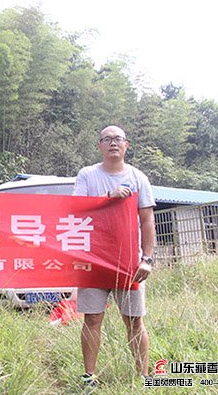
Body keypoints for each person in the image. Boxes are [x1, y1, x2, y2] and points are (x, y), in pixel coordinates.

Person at [73, 125, 155, 387]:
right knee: (92, 318)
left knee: (134, 320)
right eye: (107, 139)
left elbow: (147, 220)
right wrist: (107, 197)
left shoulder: (138, 177)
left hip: (130, 262)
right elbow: (76, 209)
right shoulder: (87, 175)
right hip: (94, 260)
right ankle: (89, 378)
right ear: (99, 145)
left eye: (118, 139)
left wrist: (148, 258)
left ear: (126, 145)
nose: (113, 143)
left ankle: (143, 376)